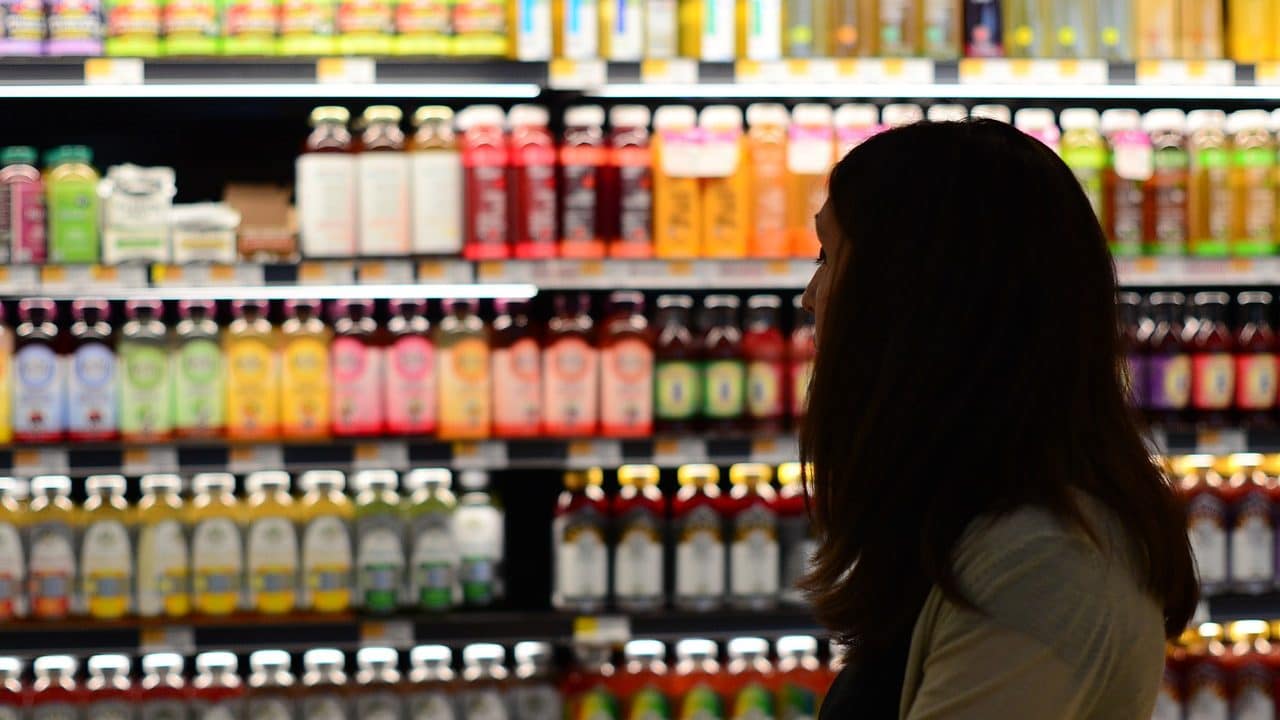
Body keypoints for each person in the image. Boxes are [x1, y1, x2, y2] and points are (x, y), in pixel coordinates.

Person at [800, 118, 1197, 719]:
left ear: (915, 298)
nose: (809, 294)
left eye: (828, 254)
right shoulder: (974, 521)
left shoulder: (1044, 569)